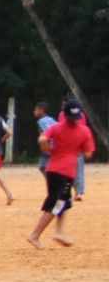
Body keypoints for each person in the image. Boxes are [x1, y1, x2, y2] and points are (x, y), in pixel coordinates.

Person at [28, 98, 96, 249]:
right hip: (66, 172)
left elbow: (42, 139)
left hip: (52, 169)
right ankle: (35, 235)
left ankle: (59, 231)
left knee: (62, 201)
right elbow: (88, 153)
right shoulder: (84, 131)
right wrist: (77, 149)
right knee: (55, 204)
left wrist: (49, 150)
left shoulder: (57, 127)